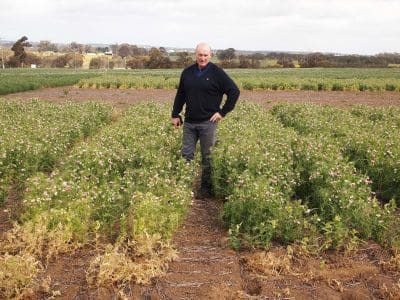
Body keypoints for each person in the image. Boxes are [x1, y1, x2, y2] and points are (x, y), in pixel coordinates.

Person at [171, 42, 240, 199]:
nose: (202, 58)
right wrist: (175, 114)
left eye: (205, 55)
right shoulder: (187, 72)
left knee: (207, 156)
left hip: (208, 123)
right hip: (189, 122)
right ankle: (185, 187)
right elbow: (180, 94)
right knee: (186, 154)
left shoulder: (217, 73)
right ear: (195, 55)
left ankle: (205, 189)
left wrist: (222, 112)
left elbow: (234, 91)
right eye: (200, 55)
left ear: (210, 55)